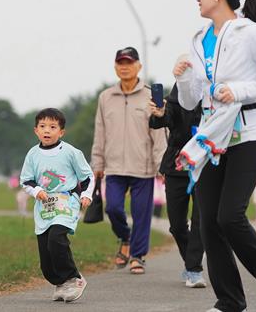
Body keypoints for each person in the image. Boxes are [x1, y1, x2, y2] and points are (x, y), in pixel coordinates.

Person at [175, 0, 256, 311]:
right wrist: (183, 79)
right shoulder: (198, 40)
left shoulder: (249, 32)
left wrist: (241, 90)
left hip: (248, 134)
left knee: (229, 216)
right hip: (212, 138)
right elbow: (190, 102)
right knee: (209, 222)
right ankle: (229, 301)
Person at [91, 47, 167, 274]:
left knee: (142, 214)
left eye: (129, 62)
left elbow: (158, 133)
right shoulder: (106, 97)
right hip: (113, 166)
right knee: (113, 208)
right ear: (115, 67)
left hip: (143, 167)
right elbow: (100, 132)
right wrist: (97, 164)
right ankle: (125, 238)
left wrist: (161, 165)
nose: (124, 66)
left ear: (138, 66)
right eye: (120, 62)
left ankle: (137, 255)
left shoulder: (150, 97)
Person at [20, 108, 94, 302]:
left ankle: (74, 278)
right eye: (43, 126)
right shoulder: (33, 154)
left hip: (67, 202)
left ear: (61, 132)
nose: (47, 130)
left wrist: (86, 195)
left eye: (53, 127)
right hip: (44, 207)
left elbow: (87, 177)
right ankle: (60, 282)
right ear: (36, 130)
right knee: (46, 255)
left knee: (56, 239)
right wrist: (37, 191)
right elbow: (26, 181)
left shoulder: (71, 152)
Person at [149, 83, 206, 288]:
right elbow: (162, 120)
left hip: (204, 165)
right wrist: (159, 113)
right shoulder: (172, 100)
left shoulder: (210, 97)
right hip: (176, 166)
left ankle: (193, 270)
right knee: (177, 225)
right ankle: (192, 263)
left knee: (200, 221)